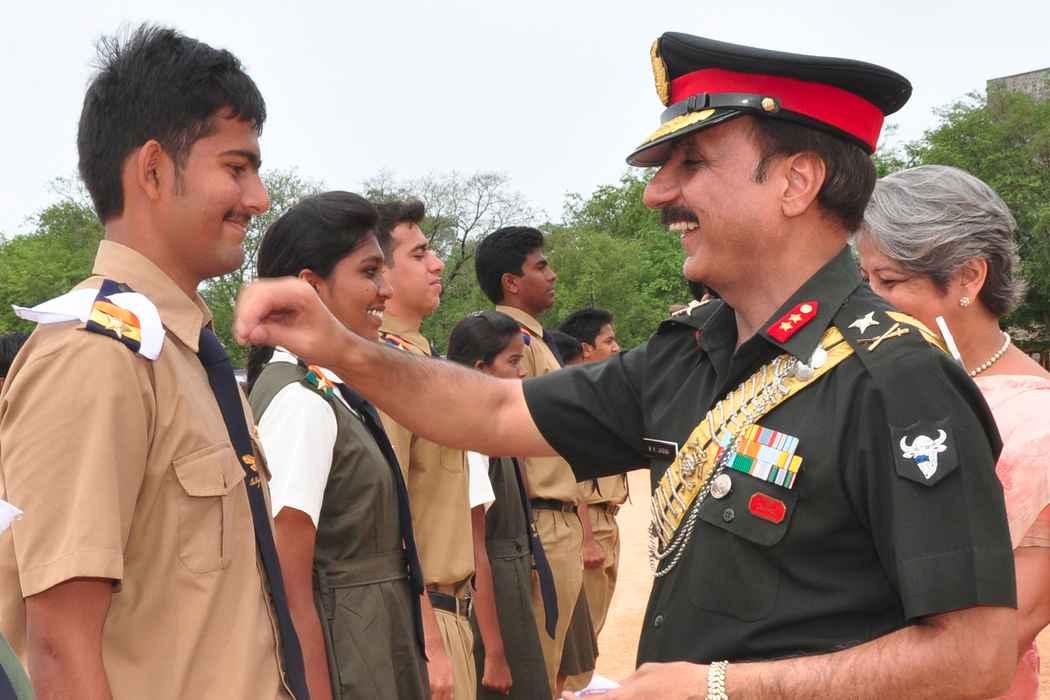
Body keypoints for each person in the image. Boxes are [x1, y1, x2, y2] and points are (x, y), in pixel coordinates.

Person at [231, 31, 1019, 699]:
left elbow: (975, 655)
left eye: (691, 162)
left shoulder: (896, 378)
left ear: (795, 181)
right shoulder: (691, 352)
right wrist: (341, 349)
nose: (657, 194)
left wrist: (718, 688)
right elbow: (496, 412)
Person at [0, 24, 309, 700]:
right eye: (237, 168)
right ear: (152, 170)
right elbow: (59, 650)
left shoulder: (182, 353)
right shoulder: (92, 356)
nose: (258, 199)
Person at [856, 164, 1050, 700]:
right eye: (864, 280)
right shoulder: (866, 383)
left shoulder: (1038, 423)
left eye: (890, 281)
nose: (868, 302)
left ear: (968, 277)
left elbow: (1004, 631)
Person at [245, 192, 430, 699]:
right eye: (369, 272)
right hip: (348, 658)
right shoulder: (300, 401)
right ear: (310, 287)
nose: (385, 290)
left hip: (369, 642)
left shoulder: (327, 389)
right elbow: (288, 582)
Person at [373, 199, 493, 700]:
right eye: (419, 254)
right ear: (379, 271)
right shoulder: (385, 370)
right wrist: (429, 640)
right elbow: (389, 520)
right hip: (426, 617)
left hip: (452, 610)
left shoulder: (418, 362)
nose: (438, 264)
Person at [474, 226, 584, 694]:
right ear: (511, 283)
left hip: (557, 520)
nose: (552, 274)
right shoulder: (513, 345)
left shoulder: (537, 342)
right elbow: (510, 441)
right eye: (541, 266)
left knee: (557, 669)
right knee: (536, 670)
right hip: (540, 521)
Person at [447, 310, 554, 700]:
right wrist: (493, 651)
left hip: (512, 582)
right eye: (512, 362)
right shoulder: (470, 441)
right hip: (493, 599)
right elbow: (477, 552)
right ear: (481, 369)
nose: (522, 372)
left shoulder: (495, 434)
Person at [558, 308, 627, 690]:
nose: (616, 348)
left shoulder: (600, 394)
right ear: (585, 349)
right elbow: (572, 475)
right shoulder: (573, 398)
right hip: (590, 521)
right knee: (583, 618)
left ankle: (580, 682)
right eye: (608, 340)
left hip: (607, 517)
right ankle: (572, 687)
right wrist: (586, 538)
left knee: (598, 611)